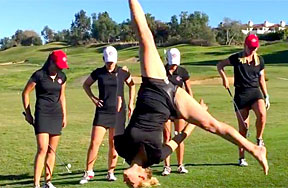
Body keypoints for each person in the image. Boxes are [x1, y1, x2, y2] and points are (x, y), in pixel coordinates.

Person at [114, 0, 268, 187]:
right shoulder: (156, 156)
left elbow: (119, 114)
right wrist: (195, 117)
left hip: (153, 85)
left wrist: (119, 84)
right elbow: (178, 138)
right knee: (212, 125)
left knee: (145, 37)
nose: (124, 181)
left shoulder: (121, 148)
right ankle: (255, 149)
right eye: (130, 184)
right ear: (141, 178)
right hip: (173, 100)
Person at [79, 46, 135, 184]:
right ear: (104, 59)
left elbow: (132, 85)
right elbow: (86, 85)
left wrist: (130, 104)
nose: (110, 64)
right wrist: (93, 98)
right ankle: (89, 172)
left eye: (112, 61)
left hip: (118, 113)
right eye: (108, 61)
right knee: (94, 143)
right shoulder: (98, 73)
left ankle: (110, 172)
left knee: (114, 144)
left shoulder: (122, 72)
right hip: (102, 112)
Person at [217, 34, 270, 167]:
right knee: (243, 129)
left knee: (262, 115)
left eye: (254, 48)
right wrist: (224, 78)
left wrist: (266, 95)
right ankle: (241, 157)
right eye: (250, 47)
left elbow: (261, 79)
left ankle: (259, 139)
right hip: (241, 95)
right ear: (245, 45)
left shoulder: (259, 61)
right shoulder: (236, 58)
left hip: (255, 92)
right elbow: (220, 65)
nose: (252, 50)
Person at [22, 50, 69, 188]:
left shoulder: (62, 77)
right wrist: (29, 114)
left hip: (57, 115)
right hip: (42, 114)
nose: (60, 68)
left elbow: (62, 97)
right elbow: (25, 93)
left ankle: (48, 182)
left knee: (52, 150)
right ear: (51, 62)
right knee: (42, 148)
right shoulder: (39, 75)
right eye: (58, 65)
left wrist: (65, 115)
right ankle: (36, 184)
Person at [162, 48, 193, 176]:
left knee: (179, 135)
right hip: (165, 108)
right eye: (172, 63)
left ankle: (180, 165)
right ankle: (167, 166)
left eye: (175, 63)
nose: (174, 66)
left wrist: (190, 106)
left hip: (179, 108)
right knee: (167, 137)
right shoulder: (161, 71)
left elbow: (189, 90)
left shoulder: (183, 72)